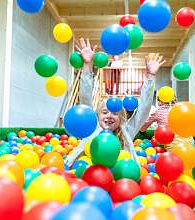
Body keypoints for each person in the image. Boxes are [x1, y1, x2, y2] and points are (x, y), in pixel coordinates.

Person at [65, 38, 165, 166]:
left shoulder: (126, 131)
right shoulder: (92, 128)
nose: (109, 116)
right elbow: (86, 100)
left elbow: (143, 109)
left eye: (115, 113)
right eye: (105, 112)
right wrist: (87, 65)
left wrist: (150, 76)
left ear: (122, 117)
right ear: (97, 116)